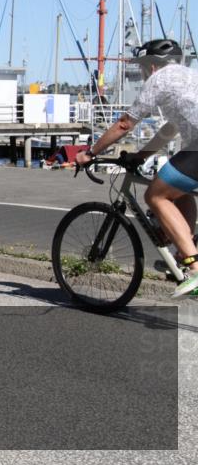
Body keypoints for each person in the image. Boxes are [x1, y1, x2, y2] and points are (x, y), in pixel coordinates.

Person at [75, 39, 198, 297]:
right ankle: (183, 250)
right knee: (178, 190)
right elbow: (169, 129)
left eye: (142, 67)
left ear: (151, 65)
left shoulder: (159, 79)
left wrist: (90, 152)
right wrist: (141, 155)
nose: (142, 73)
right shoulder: (187, 77)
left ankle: (194, 267)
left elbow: (124, 125)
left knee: (155, 195)